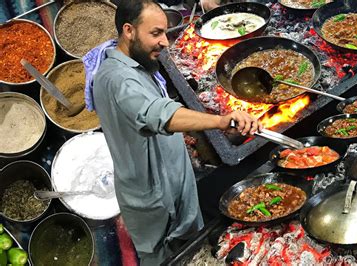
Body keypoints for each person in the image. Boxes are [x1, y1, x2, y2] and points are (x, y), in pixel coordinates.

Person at [90, 0, 261, 264]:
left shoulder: (134, 64)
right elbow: (159, 114)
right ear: (129, 30)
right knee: (169, 258)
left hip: (173, 180)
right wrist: (221, 121)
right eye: (156, 33)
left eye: (165, 33)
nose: (166, 42)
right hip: (155, 201)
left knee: (195, 246)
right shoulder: (117, 80)